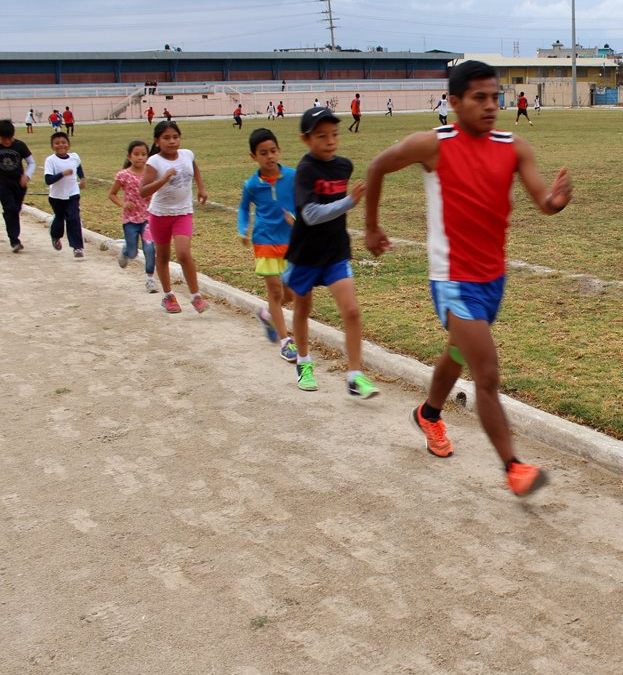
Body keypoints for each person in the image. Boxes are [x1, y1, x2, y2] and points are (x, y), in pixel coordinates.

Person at [363, 60, 573, 497]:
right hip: (452, 279)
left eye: (495, 96)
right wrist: (372, 227)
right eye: (480, 97)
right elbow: (377, 167)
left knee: (457, 355)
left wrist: (556, 201)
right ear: (454, 103)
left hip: (493, 278)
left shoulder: (514, 147)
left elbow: (542, 201)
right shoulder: (432, 145)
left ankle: (429, 413)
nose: (491, 105)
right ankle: (513, 467)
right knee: (487, 373)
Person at [282, 106, 379, 400]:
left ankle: (355, 376)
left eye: (334, 134)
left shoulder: (344, 166)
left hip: (336, 250)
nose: (330, 141)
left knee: (351, 310)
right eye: (321, 136)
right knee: (303, 309)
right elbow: (310, 214)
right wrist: (349, 202)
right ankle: (303, 362)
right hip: (306, 253)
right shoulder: (305, 171)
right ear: (306, 140)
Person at [238, 127, 300, 363]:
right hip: (264, 240)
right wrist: (242, 229)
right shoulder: (251, 185)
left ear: (279, 151)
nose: (270, 156)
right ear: (253, 156)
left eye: (273, 151)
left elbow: (303, 201)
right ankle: (286, 342)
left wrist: (295, 216)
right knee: (275, 290)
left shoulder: (292, 177)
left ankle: (266, 313)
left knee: (290, 294)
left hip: (291, 241)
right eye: (263, 153)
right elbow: (244, 208)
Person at [140, 120, 209, 314]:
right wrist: (162, 179)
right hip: (160, 214)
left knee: (183, 254)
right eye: (166, 138)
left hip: (183, 213)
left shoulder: (187, 154)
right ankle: (168, 296)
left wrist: (201, 188)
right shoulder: (154, 162)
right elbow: (143, 191)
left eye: (175, 137)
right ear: (157, 141)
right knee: (162, 256)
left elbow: (194, 167)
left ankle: (196, 296)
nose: (172, 142)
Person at [0, 119, 36, 252]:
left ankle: (13, 230)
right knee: (10, 208)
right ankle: (14, 241)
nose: (7, 142)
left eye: (10, 139)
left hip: (19, 184)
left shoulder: (20, 145)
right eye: (4, 139)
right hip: (1, 182)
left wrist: (27, 175)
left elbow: (31, 163)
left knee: (15, 209)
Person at [108, 140, 158, 293]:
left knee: (150, 249)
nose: (140, 158)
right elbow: (112, 194)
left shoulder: (152, 174)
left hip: (148, 219)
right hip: (130, 220)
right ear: (129, 157)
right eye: (136, 154)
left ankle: (150, 279)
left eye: (143, 154)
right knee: (133, 252)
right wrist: (123, 204)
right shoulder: (123, 175)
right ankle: (126, 251)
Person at [44, 131, 86, 259]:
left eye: (63, 142)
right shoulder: (51, 160)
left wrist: (82, 178)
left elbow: (78, 167)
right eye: (57, 143)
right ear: (52, 146)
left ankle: (77, 247)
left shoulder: (74, 157)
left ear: (68, 144)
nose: (61, 145)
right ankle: (55, 235)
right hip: (56, 196)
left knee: (73, 218)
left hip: (73, 194)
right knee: (60, 218)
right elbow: (48, 180)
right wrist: (62, 174)